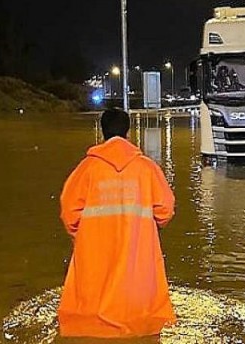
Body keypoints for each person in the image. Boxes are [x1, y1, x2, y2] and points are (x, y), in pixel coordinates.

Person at [58, 109, 176, 338]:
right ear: (128, 132)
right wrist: (147, 229)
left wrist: (84, 235)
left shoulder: (87, 169)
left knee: (88, 309)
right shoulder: (146, 168)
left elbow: (69, 212)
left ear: (102, 131)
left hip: (95, 252)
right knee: (142, 310)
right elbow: (165, 209)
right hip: (137, 253)